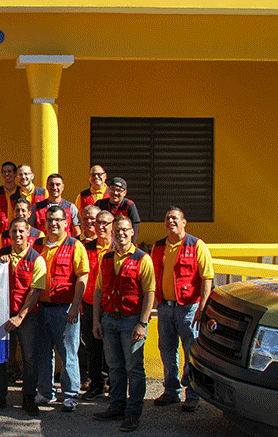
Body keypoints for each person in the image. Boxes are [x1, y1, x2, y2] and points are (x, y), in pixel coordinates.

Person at [92, 215, 155, 432]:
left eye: (125, 230)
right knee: (115, 368)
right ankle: (116, 405)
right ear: (112, 232)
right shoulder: (107, 258)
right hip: (110, 320)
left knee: (134, 368)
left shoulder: (142, 259)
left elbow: (149, 292)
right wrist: (96, 320)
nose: (120, 233)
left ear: (132, 232)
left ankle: (133, 412)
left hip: (132, 321)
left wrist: (143, 323)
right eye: (116, 230)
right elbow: (99, 289)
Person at [151, 207, 214, 412]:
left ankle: (192, 394)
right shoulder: (159, 246)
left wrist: (202, 307)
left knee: (190, 351)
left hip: (188, 308)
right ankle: (171, 391)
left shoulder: (196, 245)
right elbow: (154, 277)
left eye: (175, 218)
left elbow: (207, 277)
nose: (171, 221)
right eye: (168, 218)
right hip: (165, 308)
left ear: (184, 222)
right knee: (167, 351)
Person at [0, 217, 46, 416]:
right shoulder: (1, 253)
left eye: (21, 231)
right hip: (1, 315)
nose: (17, 235)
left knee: (29, 359)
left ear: (28, 233)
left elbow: (35, 291)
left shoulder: (36, 259)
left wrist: (20, 316)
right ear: (9, 234)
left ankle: (28, 398)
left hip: (27, 317)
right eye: (14, 231)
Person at [34, 206, 89, 411]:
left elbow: (82, 276)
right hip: (40, 308)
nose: (53, 223)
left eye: (58, 220)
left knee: (68, 353)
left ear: (66, 222)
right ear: (45, 223)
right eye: (50, 220)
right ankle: (45, 392)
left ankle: (71, 395)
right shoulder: (37, 245)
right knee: (43, 352)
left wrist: (75, 307)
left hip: (64, 309)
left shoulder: (75, 245)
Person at [81, 210, 114, 401]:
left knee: (111, 346)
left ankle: (112, 382)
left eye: (105, 223)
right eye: (98, 223)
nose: (100, 227)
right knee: (92, 347)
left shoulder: (118, 247)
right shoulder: (85, 247)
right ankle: (96, 385)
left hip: (111, 305)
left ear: (112, 225)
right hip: (88, 303)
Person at [32, 173, 81, 238]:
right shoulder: (36, 207)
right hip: (42, 246)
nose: (54, 188)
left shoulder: (71, 207)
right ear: (47, 186)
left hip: (64, 246)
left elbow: (77, 232)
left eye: (58, 185)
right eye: (51, 185)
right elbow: (31, 231)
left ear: (63, 187)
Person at [96, 177, 141, 243]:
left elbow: (135, 226)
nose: (115, 193)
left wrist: (132, 245)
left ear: (125, 193)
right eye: (112, 189)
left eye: (119, 190)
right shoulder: (100, 204)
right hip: (103, 242)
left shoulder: (129, 205)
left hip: (123, 241)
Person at [0, 161, 18, 247]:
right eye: (4, 172)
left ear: (15, 174)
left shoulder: (20, 192)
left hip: (17, 234)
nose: (7, 174)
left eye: (9, 171)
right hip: (0, 235)